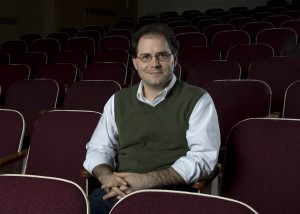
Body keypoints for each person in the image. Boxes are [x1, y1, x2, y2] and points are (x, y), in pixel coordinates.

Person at [83, 23, 220, 214]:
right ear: (135, 62)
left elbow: (203, 159)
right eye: (145, 57)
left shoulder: (197, 99)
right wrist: (107, 177)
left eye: (162, 56)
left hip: (172, 191)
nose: (154, 63)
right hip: (120, 189)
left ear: (175, 59)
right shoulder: (118, 100)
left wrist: (145, 181)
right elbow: (99, 148)